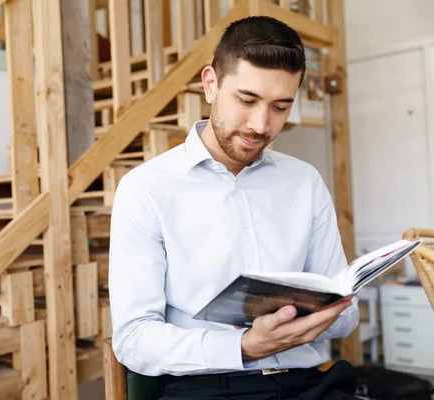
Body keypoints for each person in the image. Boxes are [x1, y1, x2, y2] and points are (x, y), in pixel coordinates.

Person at [108, 15, 360, 400]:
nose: (261, 125)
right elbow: (134, 339)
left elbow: (348, 312)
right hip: (205, 388)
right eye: (247, 100)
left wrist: (305, 322)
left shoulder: (304, 181)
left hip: (308, 382)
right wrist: (244, 346)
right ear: (211, 84)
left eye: (280, 106)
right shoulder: (146, 189)